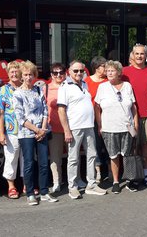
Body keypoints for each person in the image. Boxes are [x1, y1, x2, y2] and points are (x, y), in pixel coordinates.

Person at [58, 60, 107, 199]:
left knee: (91, 156)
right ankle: (72, 187)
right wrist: (66, 130)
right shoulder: (65, 86)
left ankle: (91, 184)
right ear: (69, 71)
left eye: (81, 70)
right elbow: (61, 110)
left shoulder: (84, 84)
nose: (79, 73)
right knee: (73, 158)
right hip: (74, 128)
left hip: (89, 126)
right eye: (76, 71)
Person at [13, 61, 58, 205]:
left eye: (31, 74)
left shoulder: (38, 90)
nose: (28, 77)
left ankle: (44, 192)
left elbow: (45, 111)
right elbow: (20, 118)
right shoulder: (17, 93)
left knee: (44, 163)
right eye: (25, 75)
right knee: (29, 163)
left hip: (42, 132)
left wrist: (43, 129)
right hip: (27, 134)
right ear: (21, 76)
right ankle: (30, 193)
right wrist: (37, 130)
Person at [94, 60, 139, 193]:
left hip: (127, 127)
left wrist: (135, 124)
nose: (109, 73)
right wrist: (100, 125)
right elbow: (97, 107)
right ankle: (115, 181)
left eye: (112, 70)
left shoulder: (127, 86)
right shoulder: (102, 87)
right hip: (109, 128)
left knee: (128, 155)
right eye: (107, 71)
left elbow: (134, 107)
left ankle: (130, 180)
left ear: (119, 72)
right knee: (113, 156)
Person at [122, 44, 147, 187]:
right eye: (137, 54)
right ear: (133, 55)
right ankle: (133, 175)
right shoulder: (125, 72)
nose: (139, 56)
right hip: (130, 117)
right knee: (132, 148)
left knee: (146, 146)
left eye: (142, 54)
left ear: (146, 55)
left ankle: (146, 174)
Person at [0, 61, 23, 199]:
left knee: (27, 158)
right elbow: (1, 113)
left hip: (26, 130)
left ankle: (27, 184)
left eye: (16, 71)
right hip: (11, 130)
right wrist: (1, 133)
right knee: (11, 157)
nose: (14, 74)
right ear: (8, 74)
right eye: (11, 72)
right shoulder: (3, 90)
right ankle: (11, 186)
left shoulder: (26, 88)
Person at [85, 56, 108, 183]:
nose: (106, 69)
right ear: (96, 68)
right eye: (104, 66)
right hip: (92, 119)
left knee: (109, 146)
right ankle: (98, 171)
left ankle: (111, 171)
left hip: (108, 117)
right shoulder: (87, 81)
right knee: (95, 146)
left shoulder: (107, 81)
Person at [45, 62, 67, 193]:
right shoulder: (46, 89)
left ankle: (75, 180)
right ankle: (56, 182)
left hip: (70, 127)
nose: (58, 75)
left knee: (73, 157)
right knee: (55, 157)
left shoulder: (70, 86)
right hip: (54, 127)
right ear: (51, 75)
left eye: (61, 72)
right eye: (55, 73)